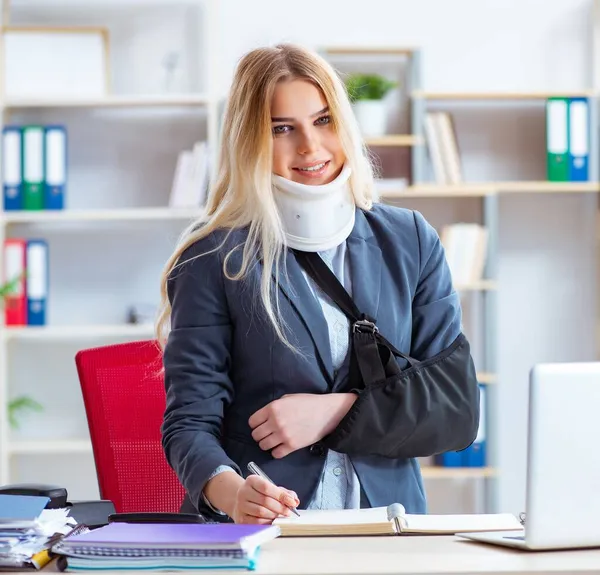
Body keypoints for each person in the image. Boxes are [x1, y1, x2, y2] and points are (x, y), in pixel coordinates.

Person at [157, 44, 479, 525]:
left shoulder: (409, 240)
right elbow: (189, 425)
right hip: (269, 530)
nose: (310, 146)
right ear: (251, 141)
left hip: (387, 527)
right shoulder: (212, 259)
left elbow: (454, 409)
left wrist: (336, 411)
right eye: (282, 129)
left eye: (324, 120)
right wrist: (233, 494)